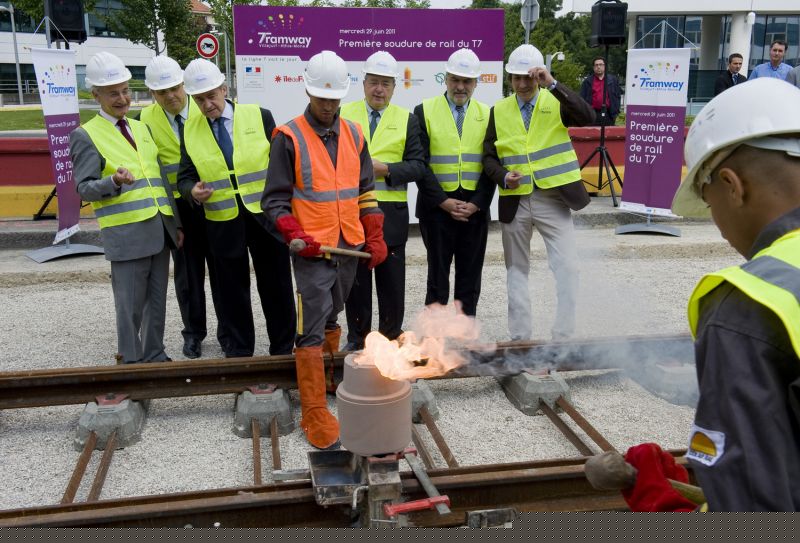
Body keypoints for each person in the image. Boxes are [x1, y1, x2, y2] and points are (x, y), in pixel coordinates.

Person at [625, 78, 800, 511]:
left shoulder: (749, 306)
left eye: (709, 204)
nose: (718, 226)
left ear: (732, 185)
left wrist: (656, 500)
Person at [262, 50, 387, 449]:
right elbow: (275, 201)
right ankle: (314, 409)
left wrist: (374, 230)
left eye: (335, 99)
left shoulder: (353, 133)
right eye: (322, 99)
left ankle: (329, 379)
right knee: (312, 324)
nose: (329, 106)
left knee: (334, 312)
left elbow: (365, 191)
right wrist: (294, 232)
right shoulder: (288, 137)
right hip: (312, 251)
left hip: (348, 244)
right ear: (308, 91)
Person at [177, 59, 295, 358]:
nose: (207, 105)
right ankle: (240, 353)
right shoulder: (190, 132)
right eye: (199, 99)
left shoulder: (259, 116)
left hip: (265, 217)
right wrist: (192, 191)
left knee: (277, 286)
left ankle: (282, 350)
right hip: (222, 221)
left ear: (224, 89)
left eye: (211, 96)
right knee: (231, 292)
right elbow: (184, 176)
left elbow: (283, 162)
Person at [70, 52, 182, 364]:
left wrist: (176, 225)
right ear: (96, 95)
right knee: (130, 304)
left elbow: (158, 178)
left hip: (159, 229)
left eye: (125, 91)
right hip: (126, 233)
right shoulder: (85, 134)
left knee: (157, 301)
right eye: (113, 93)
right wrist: (113, 182)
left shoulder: (140, 127)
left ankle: (154, 354)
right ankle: (131, 362)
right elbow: (84, 188)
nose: (122, 99)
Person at [482, 44, 594, 342]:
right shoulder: (499, 110)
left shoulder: (556, 100)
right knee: (516, 271)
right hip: (515, 201)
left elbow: (588, 116)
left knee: (568, 267)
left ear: (540, 76)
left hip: (554, 198)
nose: (523, 83)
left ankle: (564, 334)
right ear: (510, 79)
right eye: (517, 78)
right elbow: (488, 158)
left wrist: (553, 84)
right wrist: (503, 176)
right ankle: (520, 338)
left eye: (529, 77)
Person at [340, 51, 426, 352]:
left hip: (391, 216)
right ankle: (358, 341)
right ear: (363, 84)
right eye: (374, 82)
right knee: (357, 285)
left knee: (391, 286)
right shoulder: (344, 114)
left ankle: (390, 338)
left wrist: (386, 170)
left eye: (385, 84)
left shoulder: (407, 120)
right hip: (353, 213)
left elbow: (418, 166)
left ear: (394, 87)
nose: (379, 89)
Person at [139, 55, 221, 360]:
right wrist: (171, 221)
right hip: (179, 210)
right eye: (163, 92)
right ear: (153, 95)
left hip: (213, 202)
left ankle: (227, 331)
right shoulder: (145, 121)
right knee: (187, 276)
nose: (171, 96)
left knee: (222, 272)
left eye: (175, 88)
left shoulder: (205, 106)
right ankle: (193, 334)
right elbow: (152, 170)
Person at [413, 48, 496, 317]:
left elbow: (491, 165)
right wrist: (444, 202)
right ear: (446, 78)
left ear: (476, 83)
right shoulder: (423, 110)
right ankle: (435, 341)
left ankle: (464, 338)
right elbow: (420, 164)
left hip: (475, 211)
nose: (460, 87)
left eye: (467, 81)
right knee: (437, 278)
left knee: (470, 279)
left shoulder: (488, 114)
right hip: (436, 210)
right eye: (455, 79)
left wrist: (477, 204)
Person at [579, 56, 622, 126]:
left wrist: (616, 112)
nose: (598, 67)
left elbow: (617, 96)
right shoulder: (587, 82)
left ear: (605, 66)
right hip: (593, 114)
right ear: (593, 67)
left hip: (609, 114)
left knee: (608, 135)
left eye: (601, 64)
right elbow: (582, 98)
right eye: (596, 65)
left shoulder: (613, 80)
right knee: (593, 135)